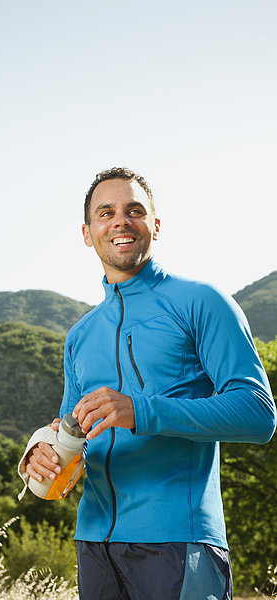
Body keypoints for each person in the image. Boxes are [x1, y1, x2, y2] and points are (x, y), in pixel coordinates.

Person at [21, 167, 276, 600]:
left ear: (155, 226)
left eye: (134, 210)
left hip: (178, 540)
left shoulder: (203, 302)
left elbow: (258, 414)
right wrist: (41, 454)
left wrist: (141, 410)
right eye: (106, 213)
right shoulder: (80, 335)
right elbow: (72, 434)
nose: (120, 220)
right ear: (88, 233)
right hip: (94, 546)